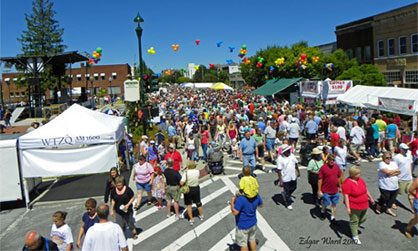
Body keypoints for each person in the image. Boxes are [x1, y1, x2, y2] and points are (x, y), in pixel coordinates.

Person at [230, 166, 263, 251]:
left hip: (243, 225)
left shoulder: (241, 199)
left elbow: (235, 213)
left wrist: (232, 203)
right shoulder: (256, 196)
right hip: (253, 223)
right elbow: (261, 205)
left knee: (243, 244)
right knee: (252, 239)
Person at [342, 166, 375, 245]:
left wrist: (370, 198)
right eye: (358, 173)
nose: (360, 175)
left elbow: (365, 189)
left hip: (364, 204)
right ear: (353, 174)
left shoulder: (360, 180)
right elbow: (346, 196)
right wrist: (348, 208)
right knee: (354, 220)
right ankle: (355, 236)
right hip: (354, 206)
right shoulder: (347, 183)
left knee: (364, 218)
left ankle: (354, 227)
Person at [318, 155, 343, 221]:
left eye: (333, 160)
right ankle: (322, 211)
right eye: (331, 160)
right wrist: (319, 190)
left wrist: (340, 187)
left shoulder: (337, 167)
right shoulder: (323, 168)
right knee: (325, 203)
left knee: (334, 204)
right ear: (327, 160)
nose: (332, 161)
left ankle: (333, 217)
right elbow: (320, 179)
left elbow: (339, 177)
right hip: (326, 191)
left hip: (335, 190)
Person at [376, 152, 400, 217]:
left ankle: (388, 209)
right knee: (385, 198)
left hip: (395, 185)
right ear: (383, 158)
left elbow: (399, 171)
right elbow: (387, 172)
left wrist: (391, 173)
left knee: (392, 199)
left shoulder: (393, 163)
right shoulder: (381, 164)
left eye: (390, 157)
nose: (388, 159)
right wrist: (394, 171)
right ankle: (379, 205)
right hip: (385, 186)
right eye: (387, 158)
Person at [276, 144, 300, 210]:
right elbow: (279, 170)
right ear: (284, 152)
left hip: (293, 176)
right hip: (285, 177)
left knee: (294, 187)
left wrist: (298, 171)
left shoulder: (292, 155)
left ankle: (286, 194)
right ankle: (288, 203)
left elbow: (296, 163)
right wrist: (280, 180)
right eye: (287, 150)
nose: (289, 151)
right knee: (287, 190)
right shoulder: (280, 159)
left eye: (289, 150)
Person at [180, 161, 203, 225]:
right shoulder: (197, 171)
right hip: (196, 188)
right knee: (198, 202)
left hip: (188, 189)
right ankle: (201, 215)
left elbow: (181, 182)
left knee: (189, 205)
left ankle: (191, 219)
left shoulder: (186, 172)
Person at [394, 143, 414, 209]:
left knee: (411, 194)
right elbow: (394, 168)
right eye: (404, 149)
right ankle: (393, 201)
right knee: (397, 192)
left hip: (409, 179)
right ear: (400, 149)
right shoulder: (396, 157)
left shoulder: (409, 154)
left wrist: (411, 174)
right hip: (401, 179)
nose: (406, 150)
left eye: (407, 149)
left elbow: (411, 164)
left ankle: (414, 209)